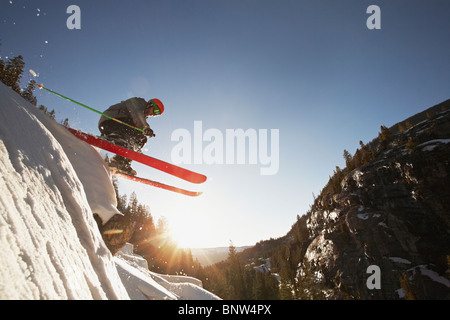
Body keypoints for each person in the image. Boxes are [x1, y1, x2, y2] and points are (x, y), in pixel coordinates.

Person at [98, 97, 164, 176]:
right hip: (110, 121)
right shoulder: (138, 102)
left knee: (142, 139)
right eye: (155, 111)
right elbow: (136, 114)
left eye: (156, 115)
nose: (153, 114)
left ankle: (120, 162)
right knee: (137, 131)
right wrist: (145, 127)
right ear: (151, 104)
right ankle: (115, 137)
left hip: (118, 127)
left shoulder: (142, 116)